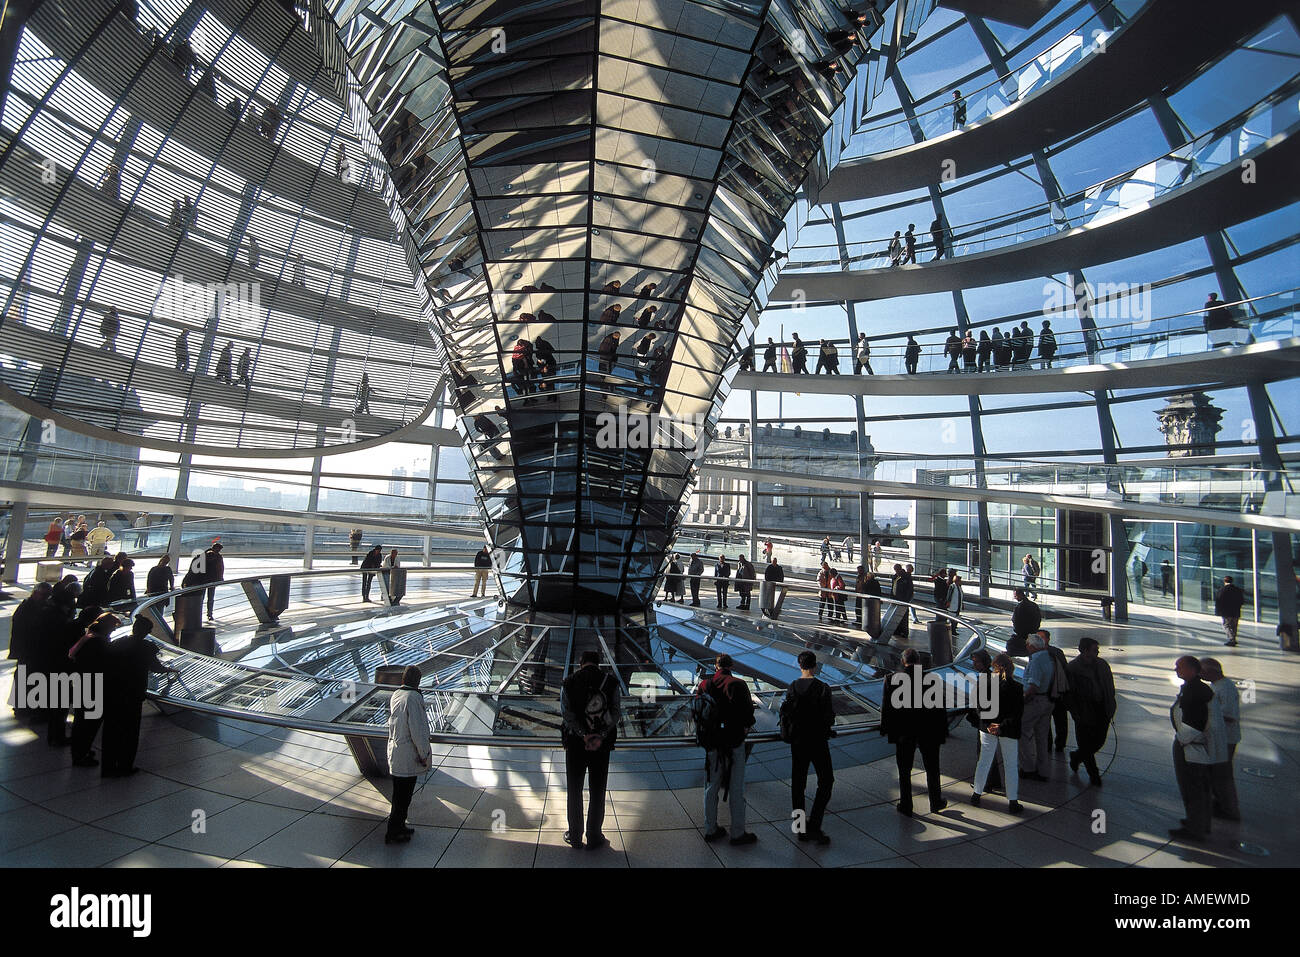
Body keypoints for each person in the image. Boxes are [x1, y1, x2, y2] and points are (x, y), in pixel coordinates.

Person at [560, 650, 621, 849]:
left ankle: (575, 835)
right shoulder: (610, 682)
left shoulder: (568, 682)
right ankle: (594, 835)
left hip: (576, 745)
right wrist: (599, 735)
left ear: (580, 663)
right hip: (601, 747)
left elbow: (566, 713)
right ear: (599, 663)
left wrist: (582, 734)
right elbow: (615, 713)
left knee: (574, 790)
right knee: (598, 790)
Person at [101, 617, 175, 778]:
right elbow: (156, 667)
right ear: (147, 632)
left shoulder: (118, 642)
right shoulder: (147, 647)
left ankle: (107, 766)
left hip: (113, 691)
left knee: (111, 730)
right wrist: (169, 671)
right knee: (130, 731)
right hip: (133, 693)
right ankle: (125, 765)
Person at [697, 654, 758, 844]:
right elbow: (748, 715)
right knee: (736, 788)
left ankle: (711, 829)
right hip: (734, 743)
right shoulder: (738, 684)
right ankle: (738, 833)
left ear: (715, 666)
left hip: (712, 744)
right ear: (731, 665)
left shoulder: (704, 685)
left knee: (711, 787)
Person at [880, 648, 948, 816]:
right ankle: (936, 802)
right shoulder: (932, 679)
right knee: (932, 768)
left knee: (904, 770)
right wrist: (943, 731)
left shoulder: (891, 679)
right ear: (919, 661)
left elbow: (887, 708)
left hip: (904, 732)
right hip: (929, 731)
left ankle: (906, 804)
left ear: (903, 662)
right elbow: (940, 708)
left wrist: (885, 729)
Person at [781, 651, 835, 844]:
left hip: (798, 741)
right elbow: (829, 716)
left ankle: (800, 828)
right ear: (815, 666)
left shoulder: (792, 687)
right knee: (826, 781)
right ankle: (815, 824)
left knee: (798, 784)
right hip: (818, 741)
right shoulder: (823, 688)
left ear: (799, 665)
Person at [1169, 655, 1217, 841]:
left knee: (1192, 787)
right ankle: (1200, 823)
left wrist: (1182, 740)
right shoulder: (1197, 688)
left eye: (1179, 666)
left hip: (1191, 746)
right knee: (1199, 787)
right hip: (1194, 745)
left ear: (1192, 670)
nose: (1176, 669)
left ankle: (1196, 827)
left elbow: (1196, 722)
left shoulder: (1194, 691)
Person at [970, 652, 1024, 812]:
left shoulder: (985, 683)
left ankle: (976, 793)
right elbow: (1016, 713)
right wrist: (1002, 726)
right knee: (1010, 764)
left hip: (987, 728)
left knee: (984, 760)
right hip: (1008, 729)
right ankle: (1013, 800)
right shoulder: (1017, 688)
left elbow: (979, 707)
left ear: (994, 667)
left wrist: (989, 724)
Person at [385, 665, 431, 844]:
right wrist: (423, 753)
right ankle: (393, 832)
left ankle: (398, 827)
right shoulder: (413, 698)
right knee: (404, 797)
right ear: (418, 681)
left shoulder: (397, 695)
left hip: (396, 753)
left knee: (399, 796)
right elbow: (417, 730)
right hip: (408, 756)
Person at [68, 612, 120, 767]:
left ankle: (80, 751)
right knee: (88, 724)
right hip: (92, 688)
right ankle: (81, 754)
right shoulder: (99, 643)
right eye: (112, 627)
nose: (113, 631)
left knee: (81, 721)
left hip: (81, 684)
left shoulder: (88, 637)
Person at [1066, 637, 1115, 788]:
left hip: (1102, 709)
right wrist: (1075, 712)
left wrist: (1111, 704)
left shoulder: (1102, 665)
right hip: (1084, 711)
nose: (1097, 652)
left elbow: (1109, 686)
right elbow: (1069, 693)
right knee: (1086, 742)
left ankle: (1077, 756)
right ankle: (1093, 774)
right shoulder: (1073, 668)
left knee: (1099, 740)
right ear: (1085, 650)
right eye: (1094, 650)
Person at [1199, 658, 1240, 821]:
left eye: (1202, 671)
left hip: (1226, 739)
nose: (1201, 675)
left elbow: (1229, 716)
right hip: (1219, 738)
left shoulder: (1225, 688)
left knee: (1223, 775)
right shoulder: (1217, 686)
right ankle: (1221, 804)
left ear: (1212, 671)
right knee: (1216, 773)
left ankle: (1229, 809)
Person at [1018, 634, 1055, 781]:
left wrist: (1024, 700)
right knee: (1041, 737)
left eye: (1027, 645)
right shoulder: (1048, 657)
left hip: (1035, 702)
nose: (1026, 647)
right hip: (1048, 700)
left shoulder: (1036, 661)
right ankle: (1043, 770)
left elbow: (1033, 685)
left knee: (1022, 732)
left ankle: (1027, 768)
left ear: (1032, 647)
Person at [1042, 630, 1071, 753]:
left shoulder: (1056, 653)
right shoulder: (1056, 652)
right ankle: (1053, 743)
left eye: (1042, 637)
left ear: (1048, 639)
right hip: (1048, 693)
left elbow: (1065, 671)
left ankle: (1058, 743)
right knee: (1049, 721)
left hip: (1056, 692)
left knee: (1059, 720)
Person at [1008, 588, 1040, 657]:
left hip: (1022, 635)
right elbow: (1038, 619)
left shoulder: (1019, 607)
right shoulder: (1034, 605)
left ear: (1019, 595)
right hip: (1033, 632)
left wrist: (1017, 631)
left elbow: (1016, 621)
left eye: (1015, 596)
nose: (1014, 598)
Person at [1215, 575, 1245, 646]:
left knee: (1226, 625)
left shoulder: (1222, 590)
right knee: (1234, 626)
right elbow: (1242, 601)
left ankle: (1232, 639)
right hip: (1236, 611)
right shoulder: (1237, 590)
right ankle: (1233, 638)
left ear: (1224, 581)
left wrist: (1218, 611)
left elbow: (1219, 601)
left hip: (1226, 612)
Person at [202, 542, 224, 619]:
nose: (219, 551)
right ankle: (209, 613)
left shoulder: (205, 555)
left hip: (205, 580)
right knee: (210, 597)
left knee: (203, 597)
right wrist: (220, 577)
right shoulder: (212, 556)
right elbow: (220, 568)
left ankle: (207, 613)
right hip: (211, 579)